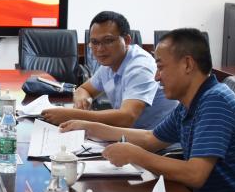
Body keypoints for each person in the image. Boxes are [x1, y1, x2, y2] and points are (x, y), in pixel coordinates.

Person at [61, 28, 235, 192]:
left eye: (161, 67)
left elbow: (195, 174)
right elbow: (150, 138)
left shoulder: (215, 100)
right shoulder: (189, 103)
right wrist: (89, 126)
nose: (156, 77)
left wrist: (135, 155)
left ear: (187, 64)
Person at [41, 11, 176, 129]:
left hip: (158, 142)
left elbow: (127, 117)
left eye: (108, 41)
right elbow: (84, 89)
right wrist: (82, 100)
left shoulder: (140, 68)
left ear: (126, 40)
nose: (100, 49)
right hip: (130, 135)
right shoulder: (109, 63)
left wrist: (74, 115)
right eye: (95, 42)